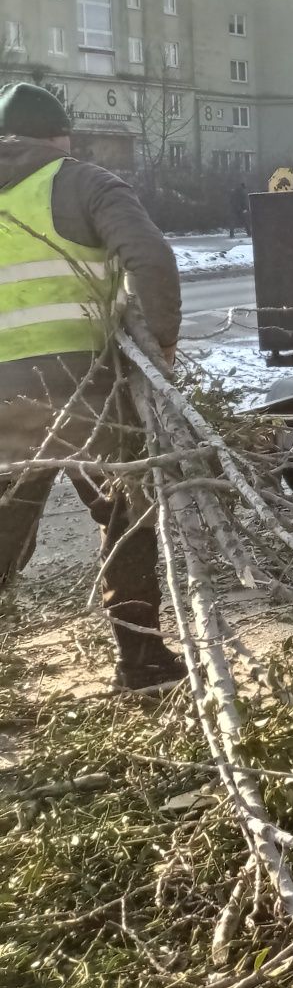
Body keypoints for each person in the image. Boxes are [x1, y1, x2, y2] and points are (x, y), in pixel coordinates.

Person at [0, 81, 186, 691]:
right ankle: (142, 662)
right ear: (60, 136)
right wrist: (160, 341)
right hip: (83, 390)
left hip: (3, 401)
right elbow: (150, 257)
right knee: (126, 516)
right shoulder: (80, 180)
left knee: (5, 527)